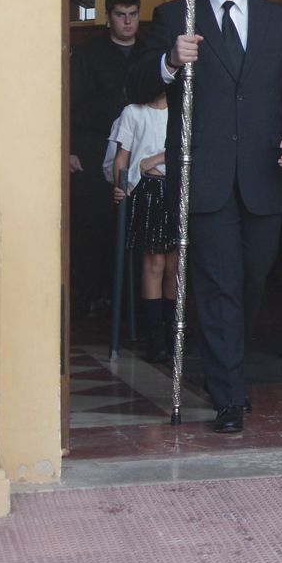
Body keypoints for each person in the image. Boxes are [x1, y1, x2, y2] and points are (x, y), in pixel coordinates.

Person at [130, 0, 282, 434]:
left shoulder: (279, 22)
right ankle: (228, 393)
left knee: (252, 281)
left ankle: (227, 369)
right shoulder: (175, 15)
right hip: (204, 175)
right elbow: (138, 78)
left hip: (264, 176)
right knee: (217, 288)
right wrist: (169, 60)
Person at [69, 0, 141, 314]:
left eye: (132, 15)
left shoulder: (151, 54)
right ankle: (88, 297)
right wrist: (68, 149)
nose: (127, 22)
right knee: (93, 225)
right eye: (120, 15)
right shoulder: (88, 55)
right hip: (93, 146)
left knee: (134, 226)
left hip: (140, 151)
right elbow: (69, 103)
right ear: (108, 17)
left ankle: (127, 298)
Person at [109, 89, 177, 363]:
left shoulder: (183, 109)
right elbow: (121, 158)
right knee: (154, 264)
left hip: (177, 187)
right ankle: (155, 341)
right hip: (148, 188)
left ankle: (173, 335)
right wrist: (119, 186)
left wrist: (159, 158)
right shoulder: (133, 112)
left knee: (175, 265)